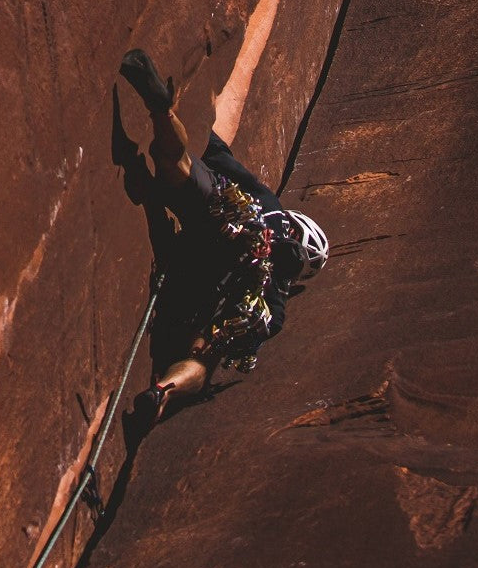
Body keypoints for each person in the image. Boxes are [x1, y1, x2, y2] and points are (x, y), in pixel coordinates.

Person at [118, 48, 329, 418]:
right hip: (210, 279)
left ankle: (161, 110)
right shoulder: (275, 304)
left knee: (176, 162)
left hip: (223, 218)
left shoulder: (268, 204)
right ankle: (165, 389)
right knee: (205, 358)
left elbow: (215, 151)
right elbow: (231, 338)